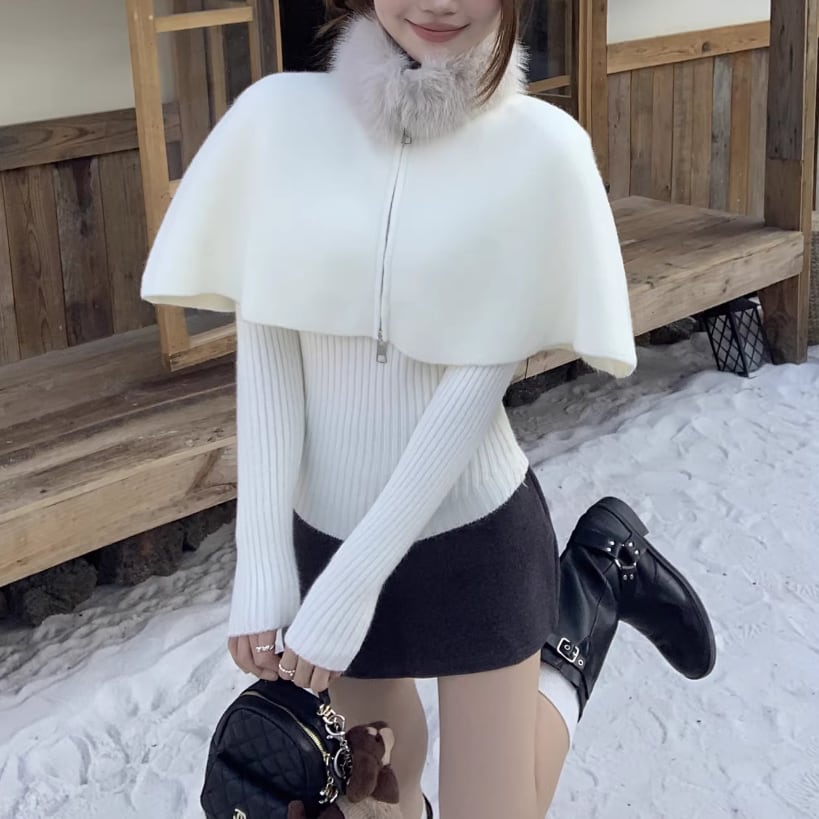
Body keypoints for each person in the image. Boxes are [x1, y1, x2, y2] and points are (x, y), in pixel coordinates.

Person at [140, 2, 716, 817]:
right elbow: (267, 347)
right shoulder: (276, 120)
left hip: (472, 537)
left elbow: (474, 384)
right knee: (377, 794)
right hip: (325, 536)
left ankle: (589, 590)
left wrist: (351, 586)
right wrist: (263, 560)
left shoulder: (539, 150)